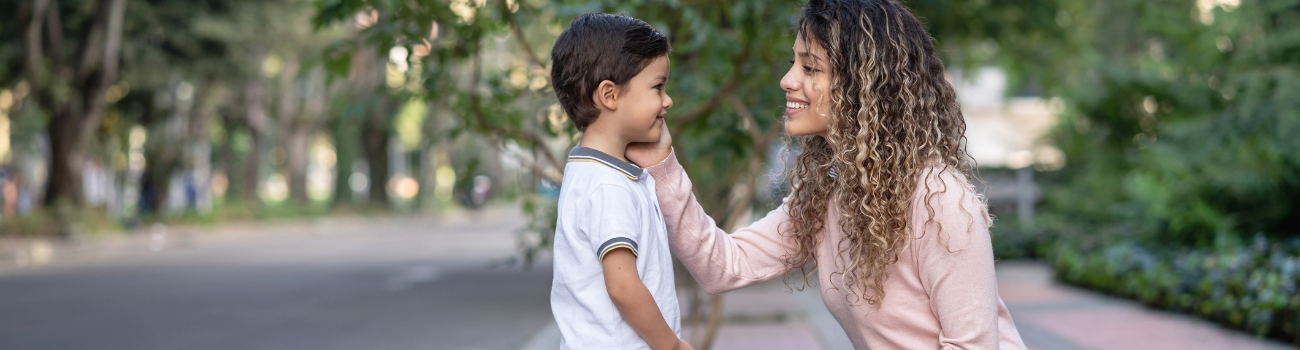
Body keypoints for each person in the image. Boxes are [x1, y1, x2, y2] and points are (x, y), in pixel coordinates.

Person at [626, 0, 1028, 348]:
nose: (788, 80)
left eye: (810, 67)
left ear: (865, 85)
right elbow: (722, 266)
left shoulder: (941, 203)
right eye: (793, 63)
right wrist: (663, 166)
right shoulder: (829, 194)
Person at [548, 13, 691, 350]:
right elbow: (623, 287)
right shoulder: (607, 185)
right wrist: (671, 345)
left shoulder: (594, 172)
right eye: (657, 87)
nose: (667, 100)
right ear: (609, 96)